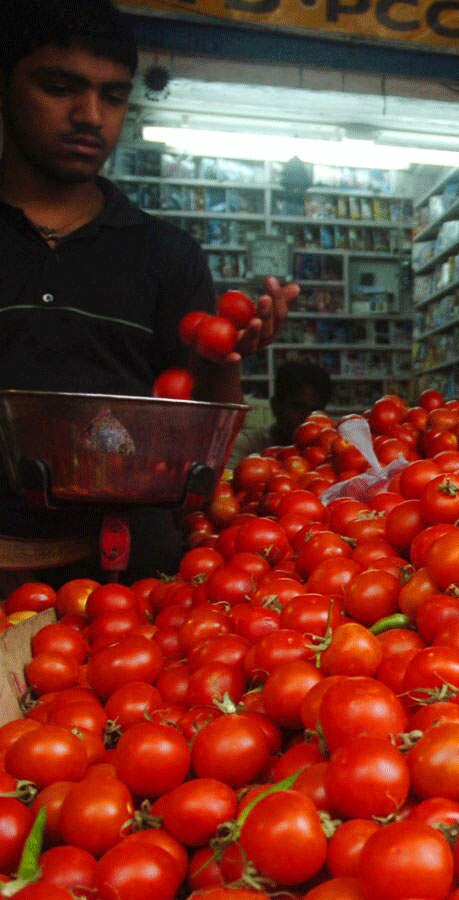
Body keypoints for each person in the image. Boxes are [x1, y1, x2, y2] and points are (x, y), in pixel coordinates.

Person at [0, 0, 299, 580]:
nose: (90, 115)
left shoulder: (166, 254)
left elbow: (192, 433)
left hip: (128, 576)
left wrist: (229, 351)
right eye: (61, 88)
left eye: (113, 97)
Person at [230, 361, 334, 464]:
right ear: (276, 406)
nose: (308, 419)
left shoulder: (333, 449)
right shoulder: (247, 445)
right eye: (298, 407)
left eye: (315, 410)